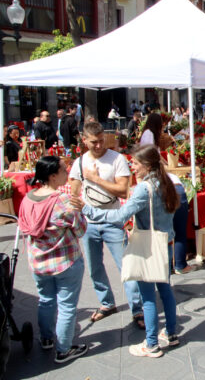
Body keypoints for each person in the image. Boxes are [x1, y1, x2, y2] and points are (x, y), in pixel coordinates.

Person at [73, 144, 180, 357]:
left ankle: (151, 344)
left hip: (148, 247)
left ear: (147, 165)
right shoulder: (166, 181)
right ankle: (170, 333)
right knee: (165, 290)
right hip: (165, 243)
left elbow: (119, 216)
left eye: (136, 163)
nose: (133, 167)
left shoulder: (144, 188)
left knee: (148, 296)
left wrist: (87, 209)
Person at [68, 122, 144, 328]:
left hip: (113, 220)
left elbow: (123, 191)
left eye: (101, 141)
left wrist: (95, 179)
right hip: (88, 223)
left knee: (125, 266)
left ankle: (137, 308)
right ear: (84, 140)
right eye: (94, 142)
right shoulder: (79, 162)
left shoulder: (117, 159)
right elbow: (74, 192)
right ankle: (107, 302)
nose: (99, 145)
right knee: (94, 267)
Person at [18, 156, 88, 364]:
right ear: (53, 176)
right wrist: (80, 210)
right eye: (64, 170)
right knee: (66, 306)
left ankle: (46, 338)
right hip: (65, 261)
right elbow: (80, 229)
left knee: (46, 300)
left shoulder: (28, 199)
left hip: (38, 262)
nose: (68, 173)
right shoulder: (62, 201)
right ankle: (63, 349)